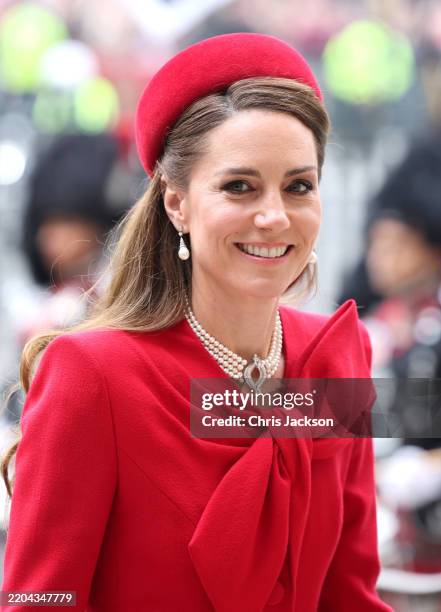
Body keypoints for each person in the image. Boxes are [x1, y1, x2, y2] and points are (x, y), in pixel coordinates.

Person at [0, 33, 391, 611]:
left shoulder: (338, 354)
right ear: (176, 202)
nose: (274, 216)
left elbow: (350, 594)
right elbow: (40, 600)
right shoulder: (94, 373)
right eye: (239, 186)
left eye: (299, 186)